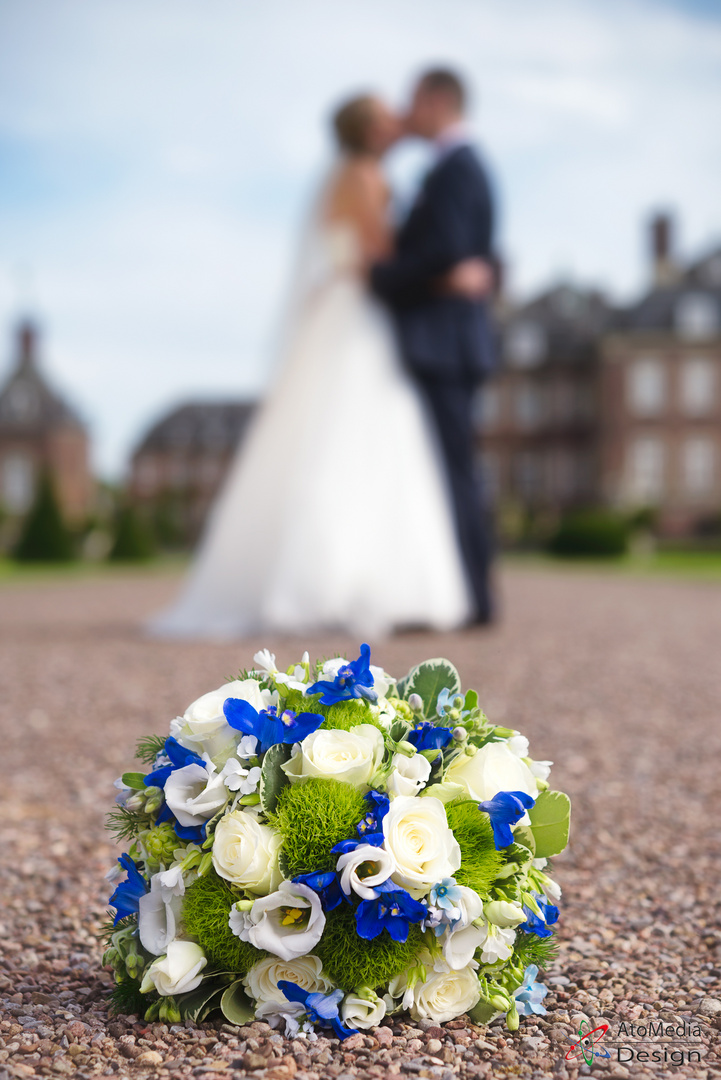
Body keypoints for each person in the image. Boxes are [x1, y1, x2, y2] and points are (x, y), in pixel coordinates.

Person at [148, 93, 484, 640]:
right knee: (357, 440)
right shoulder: (362, 176)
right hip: (358, 312)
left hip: (349, 310)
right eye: (387, 114)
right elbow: (381, 256)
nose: (399, 118)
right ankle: (336, 583)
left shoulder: (354, 173)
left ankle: (354, 580)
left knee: (351, 440)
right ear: (372, 129)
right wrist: (448, 275)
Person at [371, 68, 497, 624]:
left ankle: (471, 599)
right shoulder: (455, 167)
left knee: (450, 472)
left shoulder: (457, 167)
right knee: (442, 471)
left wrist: (375, 276)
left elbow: (446, 252)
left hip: (444, 346)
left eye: (414, 100)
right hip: (443, 343)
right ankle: (458, 595)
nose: (407, 110)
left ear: (438, 101)